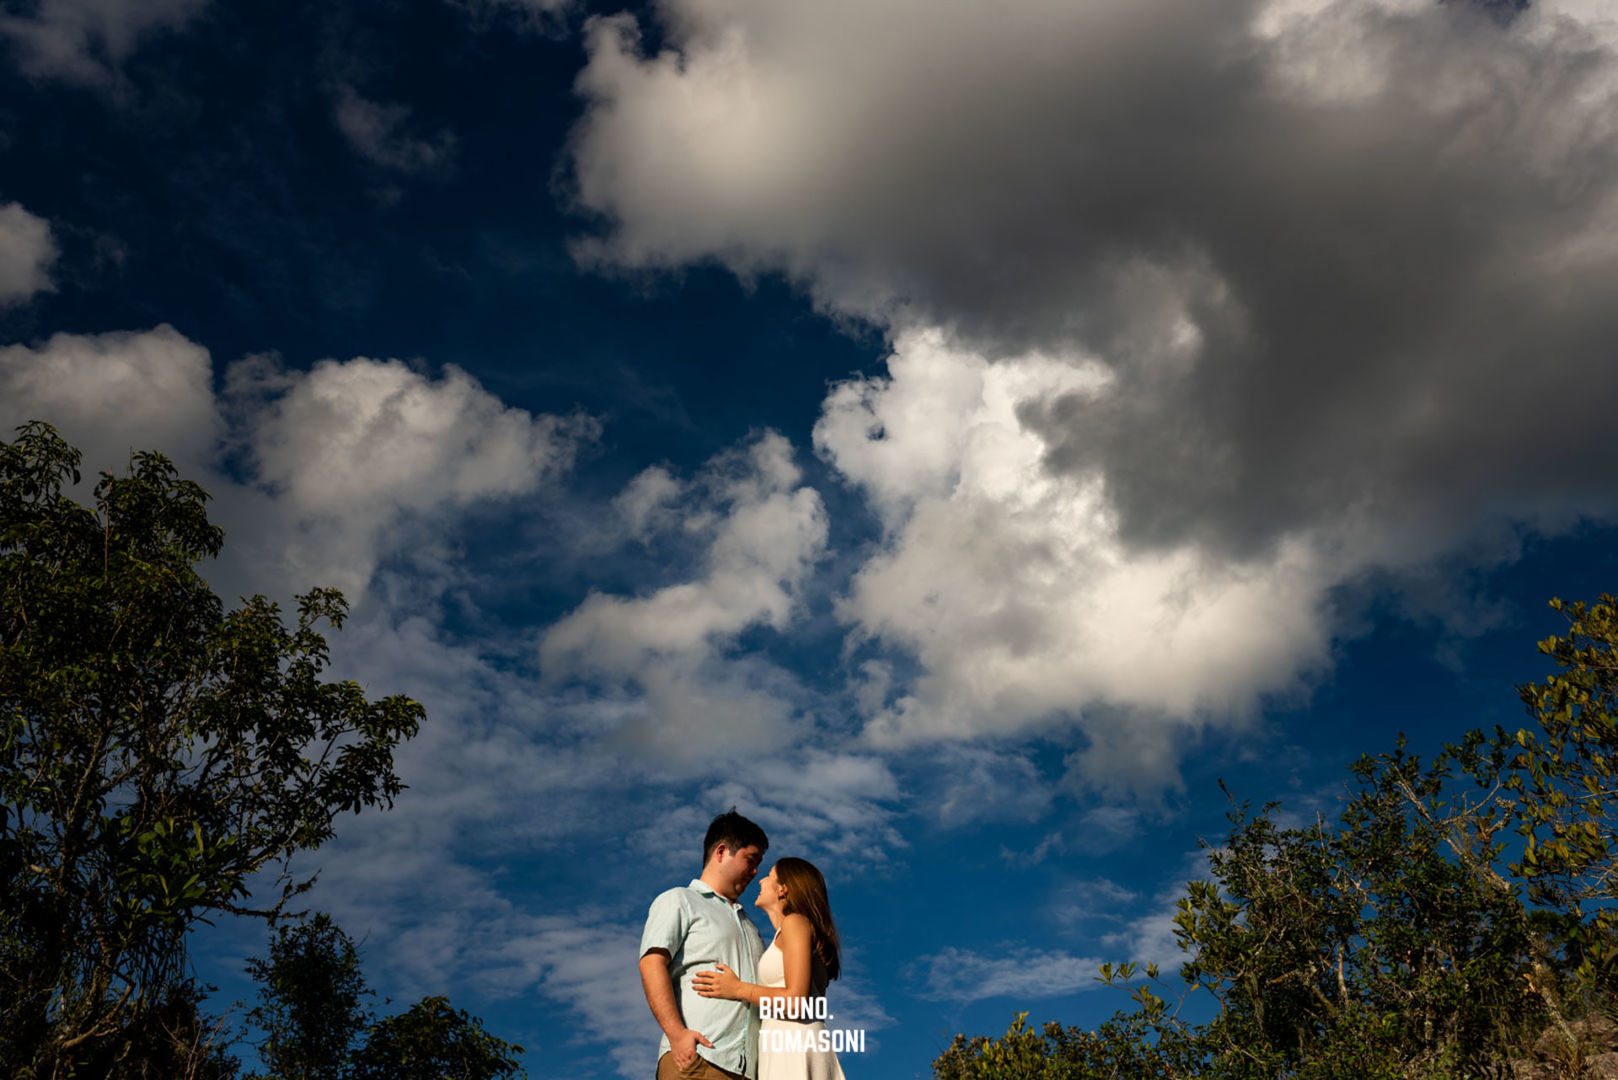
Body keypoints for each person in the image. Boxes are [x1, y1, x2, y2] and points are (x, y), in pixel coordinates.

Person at [639, 809, 769, 1080]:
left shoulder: (750, 926)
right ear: (721, 851)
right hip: (698, 1062)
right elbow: (651, 963)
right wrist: (677, 1035)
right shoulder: (680, 900)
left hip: (748, 1073)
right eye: (751, 860)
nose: (756, 872)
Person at [691, 857, 846, 1080]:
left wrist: (737, 989)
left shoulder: (795, 922)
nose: (761, 880)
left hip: (793, 1045)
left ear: (783, 889)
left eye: (769, 875)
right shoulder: (794, 930)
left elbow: (795, 1002)